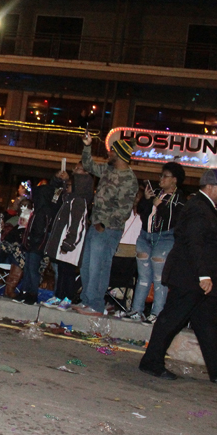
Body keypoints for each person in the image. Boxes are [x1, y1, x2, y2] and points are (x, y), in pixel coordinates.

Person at [139, 168, 217, 383]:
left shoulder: (207, 206)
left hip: (197, 280)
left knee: (207, 325)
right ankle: (151, 362)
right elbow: (194, 243)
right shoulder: (198, 207)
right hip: (190, 278)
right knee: (170, 320)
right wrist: (203, 276)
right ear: (209, 187)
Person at [73, 132, 138, 316]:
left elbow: (124, 210)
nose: (108, 154)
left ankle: (95, 304)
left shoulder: (128, 179)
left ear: (119, 155)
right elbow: (88, 165)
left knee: (99, 267)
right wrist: (87, 146)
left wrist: (105, 224)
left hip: (108, 230)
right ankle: (87, 301)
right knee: (87, 266)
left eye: (112, 152)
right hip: (96, 226)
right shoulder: (108, 170)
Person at [124, 162, 186, 323]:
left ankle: (157, 313)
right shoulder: (156, 193)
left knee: (159, 277)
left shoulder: (179, 198)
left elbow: (175, 220)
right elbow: (143, 214)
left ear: (175, 180)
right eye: (161, 175)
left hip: (165, 238)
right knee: (143, 276)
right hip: (146, 236)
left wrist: (160, 206)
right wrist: (146, 200)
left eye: (165, 176)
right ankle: (136, 310)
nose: (161, 179)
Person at [43, 164, 94, 310]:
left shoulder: (78, 201)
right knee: (62, 270)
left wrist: (69, 243)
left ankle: (67, 298)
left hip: (71, 245)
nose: (67, 187)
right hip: (63, 242)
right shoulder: (69, 199)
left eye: (70, 185)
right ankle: (58, 296)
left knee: (68, 272)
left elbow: (77, 225)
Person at [20, 170, 69, 305]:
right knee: (29, 265)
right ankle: (27, 291)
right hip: (37, 235)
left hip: (40, 236)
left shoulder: (47, 207)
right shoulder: (43, 207)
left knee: (32, 266)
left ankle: (32, 293)